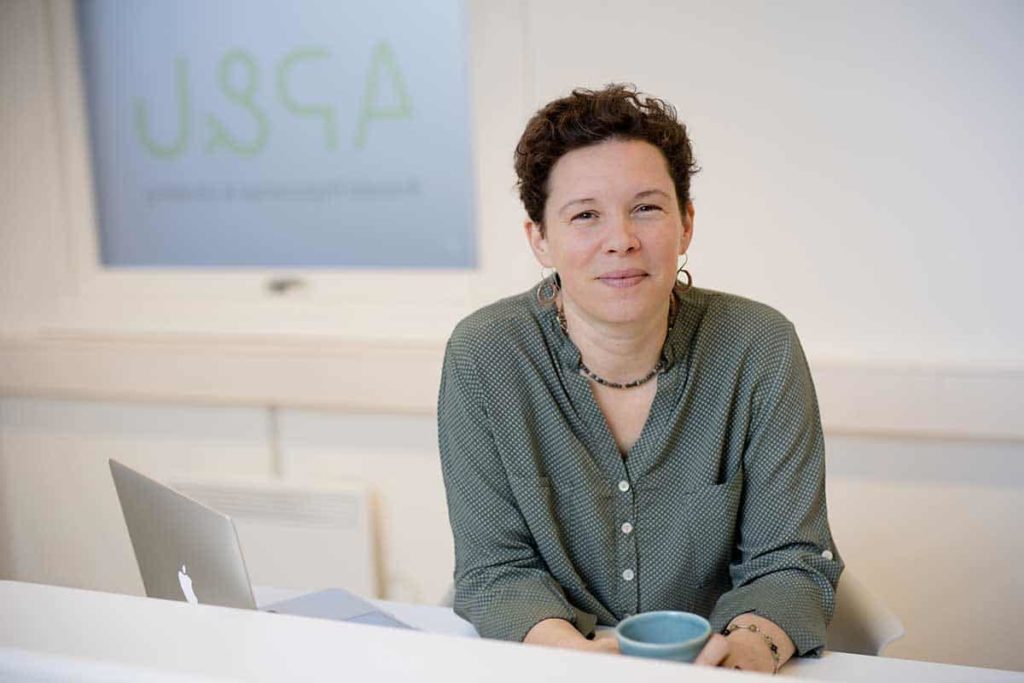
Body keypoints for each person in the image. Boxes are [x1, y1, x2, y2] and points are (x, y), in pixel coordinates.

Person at [437, 84, 843, 674]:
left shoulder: (760, 347)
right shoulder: (485, 356)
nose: (621, 240)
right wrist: (581, 660)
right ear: (540, 240)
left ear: (686, 224)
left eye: (646, 208)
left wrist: (744, 653)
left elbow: (792, 559)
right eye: (585, 215)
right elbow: (495, 569)